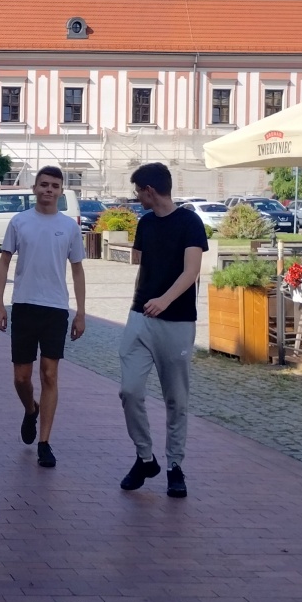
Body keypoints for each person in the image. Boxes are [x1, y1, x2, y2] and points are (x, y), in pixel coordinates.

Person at [118, 161, 208, 500]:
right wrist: (142, 301)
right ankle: (145, 458)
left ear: (150, 190)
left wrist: (165, 300)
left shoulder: (190, 222)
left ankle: (174, 467)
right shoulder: (145, 223)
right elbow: (141, 264)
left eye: (138, 191)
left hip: (178, 321)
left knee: (176, 399)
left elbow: (191, 271)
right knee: (129, 391)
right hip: (140, 317)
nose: (137, 197)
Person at [0, 166, 86, 468]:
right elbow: (4, 262)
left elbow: (78, 270)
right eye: (44, 184)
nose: (49, 190)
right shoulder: (20, 222)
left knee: (49, 374)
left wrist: (81, 312)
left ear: (61, 191)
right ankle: (30, 409)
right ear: (34, 188)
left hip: (56, 308)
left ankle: (45, 442)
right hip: (24, 305)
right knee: (21, 377)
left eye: (54, 186)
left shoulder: (69, 227)